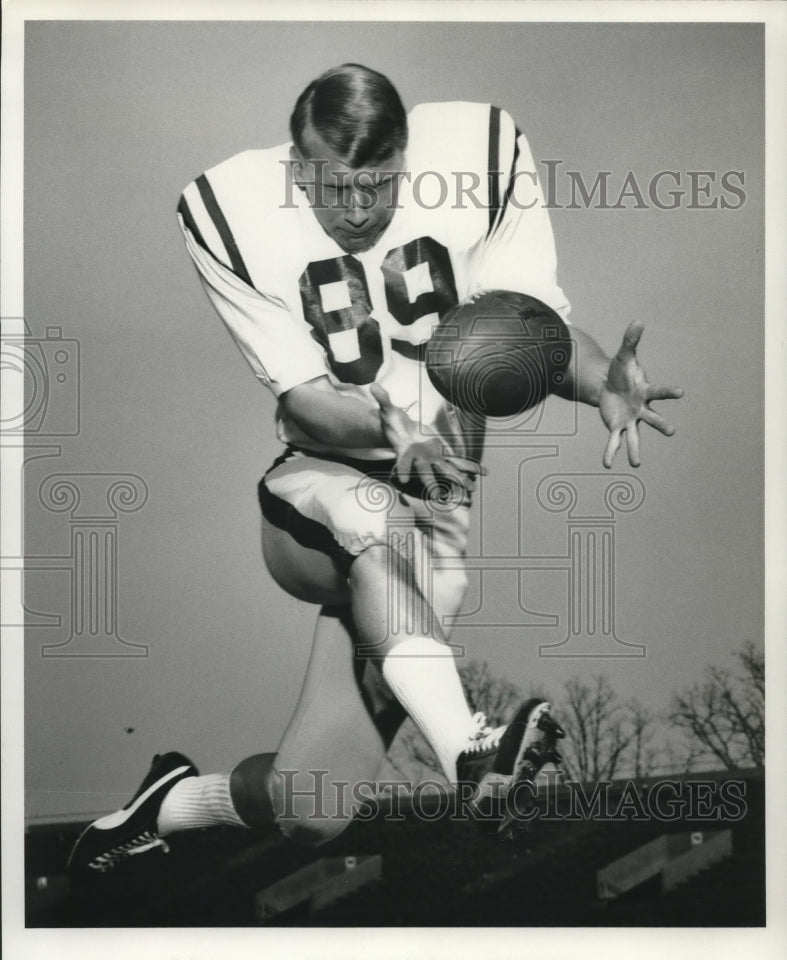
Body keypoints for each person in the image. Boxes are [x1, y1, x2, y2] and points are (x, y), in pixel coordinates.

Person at [69, 64, 681, 875]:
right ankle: (471, 746)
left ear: (409, 156)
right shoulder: (231, 210)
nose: (356, 211)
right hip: (317, 487)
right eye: (332, 187)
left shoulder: (481, 159)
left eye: (377, 185)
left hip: (434, 524)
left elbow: (521, 337)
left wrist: (601, 381)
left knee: (311, 812)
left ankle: (169, 802)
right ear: (297, 163)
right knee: (371, 512)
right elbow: (305, 402)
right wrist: (395, 430)